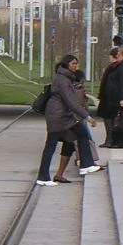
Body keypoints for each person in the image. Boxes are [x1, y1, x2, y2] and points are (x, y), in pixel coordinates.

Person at [36, 54, 100, 186]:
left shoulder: (64, 78)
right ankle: (43, 177)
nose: (75, 66)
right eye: (73, 64)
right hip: (59, 117)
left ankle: (85, 165)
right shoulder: (63, 80)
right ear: (66, 65)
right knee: (51, 146)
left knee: (81, 133)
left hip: (62, 116)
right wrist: (87, 117)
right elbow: (70, 101)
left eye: (76, 64)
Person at [51, 68, 97, 183]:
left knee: (68, 146)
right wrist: (88, 117)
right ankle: (86, 164)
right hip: (74, 121)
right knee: (82, 139)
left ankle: (59, 174)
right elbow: (78, 105)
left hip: (69, 121)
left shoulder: (69, 88)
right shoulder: (78, 89)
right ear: (81, 80)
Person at [98, 45, 123, 149]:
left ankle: (121, 142)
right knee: (119, 118)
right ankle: (118, 141)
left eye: (119, 54)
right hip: (115, 97)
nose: (117, 55)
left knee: (121, 119)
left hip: (119, 98)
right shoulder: (122, 66)